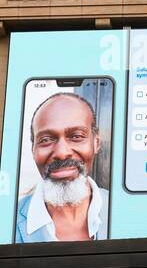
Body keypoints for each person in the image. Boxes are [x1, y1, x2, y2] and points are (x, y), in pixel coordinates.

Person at [15, 92, 109, 242]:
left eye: (76, 136)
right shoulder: (9, 220)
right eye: (45, 140)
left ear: (96, 143)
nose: (61, 153)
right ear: (33, 150)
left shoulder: (128, 210)